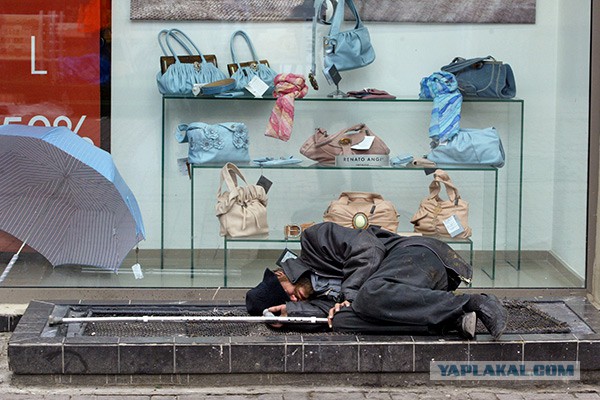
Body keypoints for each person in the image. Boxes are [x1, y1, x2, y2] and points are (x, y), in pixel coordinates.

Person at [246, 221, 508, 339]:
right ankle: (453, 318)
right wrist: (290, 312)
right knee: (339, 320)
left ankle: (475, 303)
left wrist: (350, 295)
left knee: (366, 296)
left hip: (420, 256)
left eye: (287, 293)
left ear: (282, 274)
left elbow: (368, 248)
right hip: (411, 292)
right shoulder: (316, 299)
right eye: (288, 300)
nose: (293, 297)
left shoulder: (314, 241)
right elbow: (328, 316)